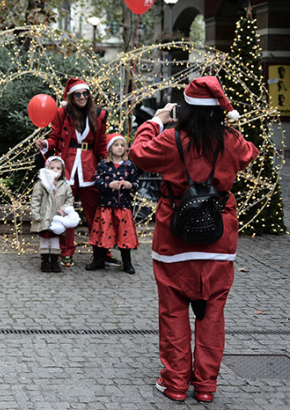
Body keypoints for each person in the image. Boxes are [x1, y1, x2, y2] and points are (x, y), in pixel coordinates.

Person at [129, 76, 258, 403]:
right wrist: (228, 125)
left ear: (184, 109)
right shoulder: (229, 140)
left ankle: (174, 384)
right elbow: (249, 153)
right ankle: (205, 387)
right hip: (219, 244)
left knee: (173, 315)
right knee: (212, 316)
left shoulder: (171, 139)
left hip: (175, 243)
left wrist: (156, 121)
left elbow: (138, 153)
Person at [35, 77, 107, 267]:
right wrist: (45, 145)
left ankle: (101, 252)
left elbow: (100, 143)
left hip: (89, 168)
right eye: (78, 94)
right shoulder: (62, 113)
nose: (82, 97)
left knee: (96, 213)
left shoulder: (99, 115)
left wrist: (107, 163)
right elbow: (54, 136)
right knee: (65, 212)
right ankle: (66, 252)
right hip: (66, 167)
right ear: (71, 96)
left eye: (85, 93)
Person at [87, 134, 139, 274]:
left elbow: (136, 184)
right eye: (116, 145)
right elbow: (97, 182)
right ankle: (99, 260)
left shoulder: (129, 166)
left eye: (122, 145)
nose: (120, 148)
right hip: (106, 206)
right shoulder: (103, 165)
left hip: (123, 206)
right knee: (104, 233)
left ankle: (127, 262)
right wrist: (108, 185)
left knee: (124, 234)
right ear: (110, 148)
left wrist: (129, 185)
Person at [29, 156, 78, 273]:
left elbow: (69, 199)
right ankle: (45, 261)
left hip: (57, 217)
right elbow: (35, 200)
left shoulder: (65, 185)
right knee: (45, 238)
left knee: (56, 238)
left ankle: (55, 261)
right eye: (52, 168)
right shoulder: (41, 184)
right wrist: (36, 214)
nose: (55, 171)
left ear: (62, 171)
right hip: (43, 216)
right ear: (46, 169)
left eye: (58, 168)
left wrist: (65, 210)